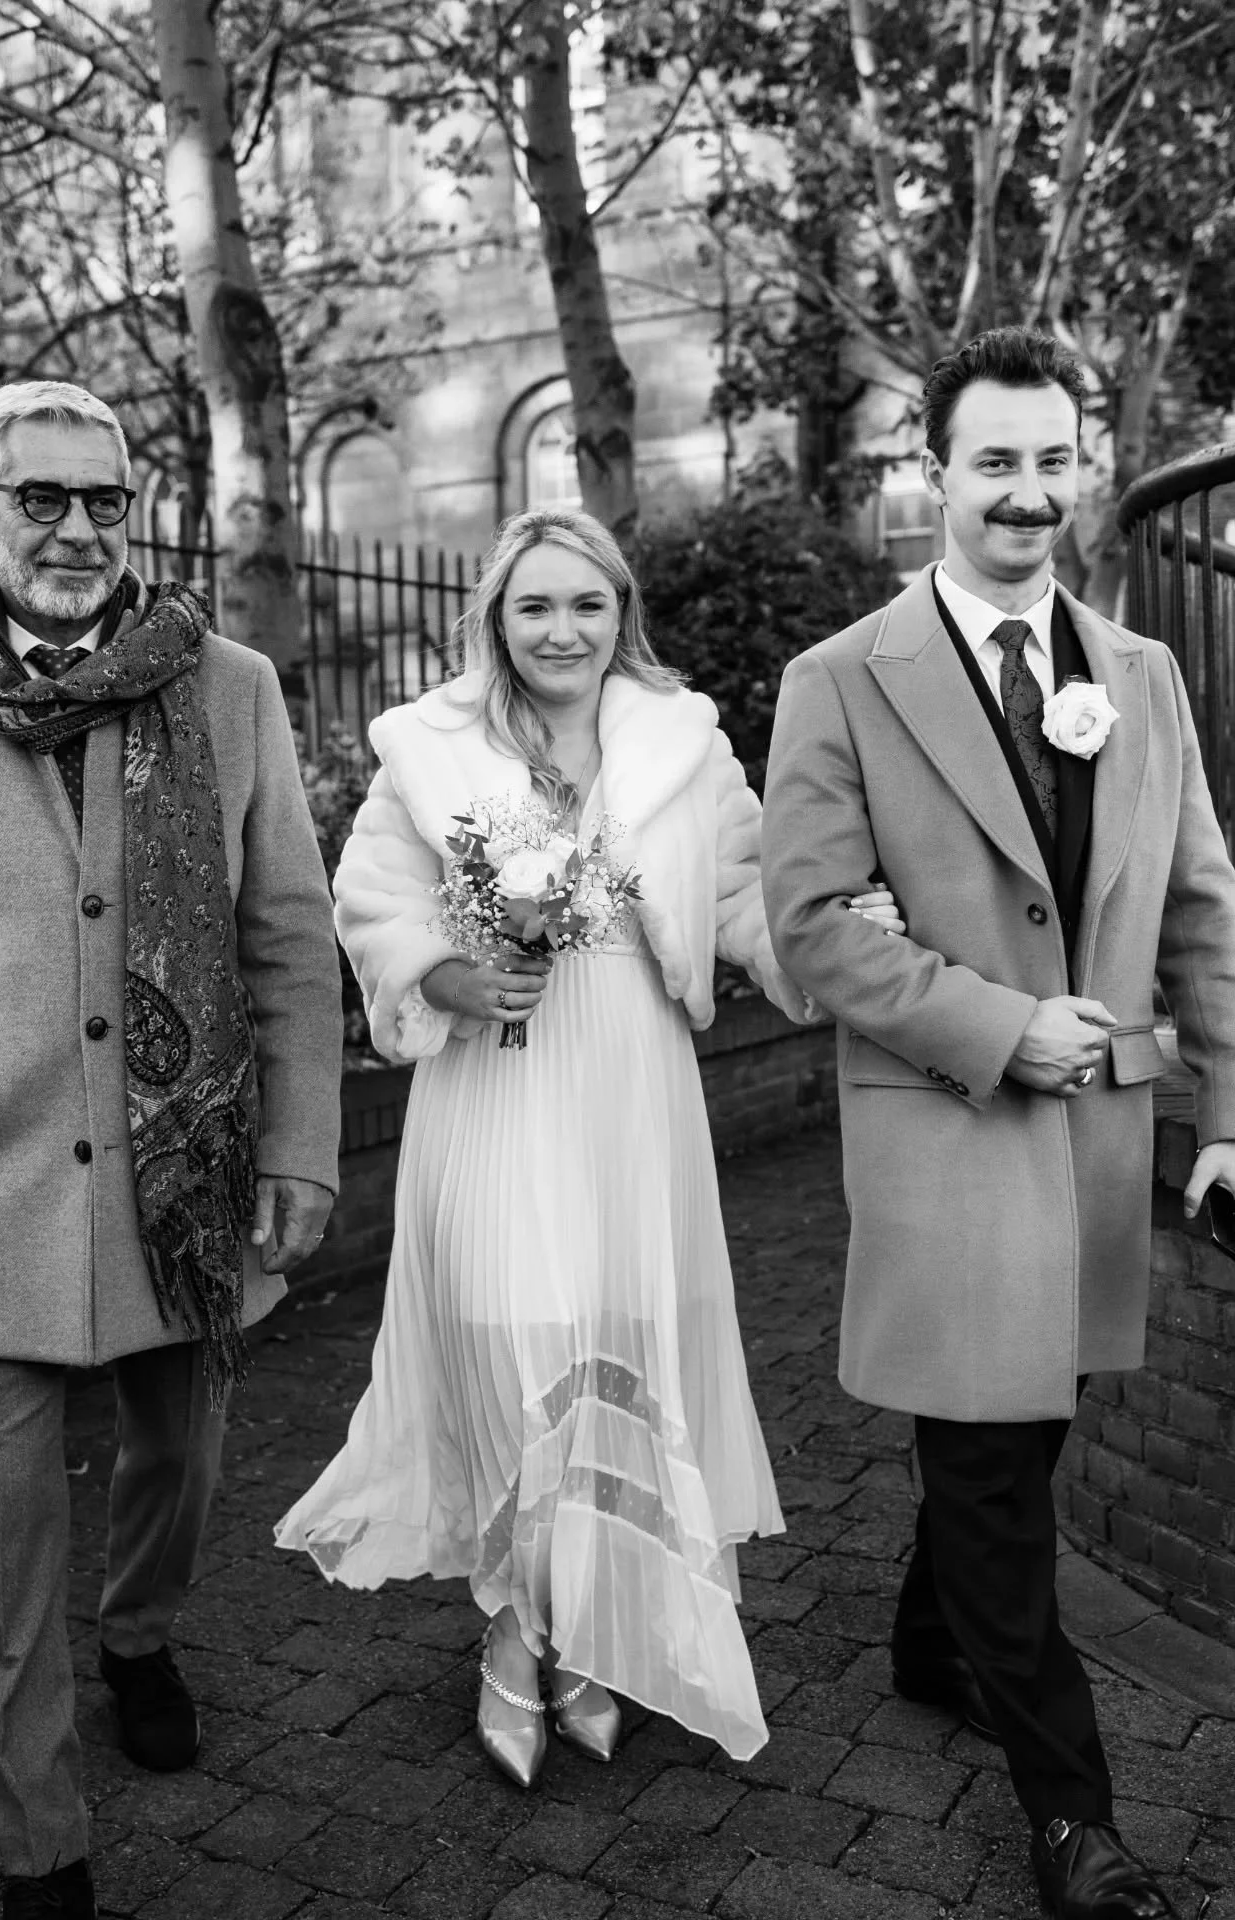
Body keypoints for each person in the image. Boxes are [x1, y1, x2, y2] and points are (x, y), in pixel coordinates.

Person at [0, 381, 344, 1919]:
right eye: (39, 497)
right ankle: (42, 1831)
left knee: (180, 1457)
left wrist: (302, 1144)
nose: (76, 529)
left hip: (190, 1169)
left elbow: (289, 941)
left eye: (104, 500)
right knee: (4, 1519)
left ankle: (139, 1633)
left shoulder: (229, 687)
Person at [275, 506, 902, 1785]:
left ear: (623, 613)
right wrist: (445, 974)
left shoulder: (688, 741)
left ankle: (596, 1637)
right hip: (497, 1088)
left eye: (587, 605)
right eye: (535, 607)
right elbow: (369, 900)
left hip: (632, 1081)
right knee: (511, 1335)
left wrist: (851, 941)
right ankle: (513, 1620)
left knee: (618, 1332)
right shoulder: (430, 745)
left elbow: (747, 897)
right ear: (496, 620)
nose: (563, 631)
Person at [760, 326, 1235, 1920]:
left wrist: (1228, 1106)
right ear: (936, 473)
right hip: (948, 1134)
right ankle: (1073, 1817)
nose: (1026, 495)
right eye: (994, 464)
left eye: (1051, 462)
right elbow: (816, 922)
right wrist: (996, 1022)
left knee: (1017, 1441)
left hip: (1099, 1141)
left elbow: (1202, 906)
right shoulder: (838, 680)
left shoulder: (1146, 675)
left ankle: (923, 1637)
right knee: (985, 1467)